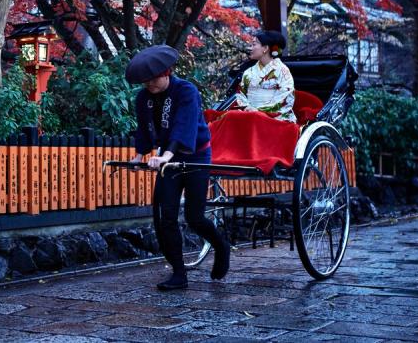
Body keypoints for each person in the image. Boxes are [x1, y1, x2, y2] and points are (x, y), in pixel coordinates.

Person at [126, 45, 230, 291]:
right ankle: (178, 273)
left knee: (195, 217)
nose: (149, 84)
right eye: (144, 81)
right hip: (168, 159)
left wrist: (167, 155)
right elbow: (144, 129)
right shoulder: (144, 98)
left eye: (153, 79)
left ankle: (221, 245)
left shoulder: (186, 90)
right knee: (166, 217)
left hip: (195, 155)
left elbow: (184, 125)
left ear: (167, 72)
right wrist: (139, 155)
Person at [234, 30, 296, 122]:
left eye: (254, 44)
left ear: (265, 48)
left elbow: (286, 98)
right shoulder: (248, 72)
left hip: (274, 118)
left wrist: (259, 111)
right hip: (249, 114)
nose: (250, 48)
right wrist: (247, 107)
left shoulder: (282, 71)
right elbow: (240, 95)